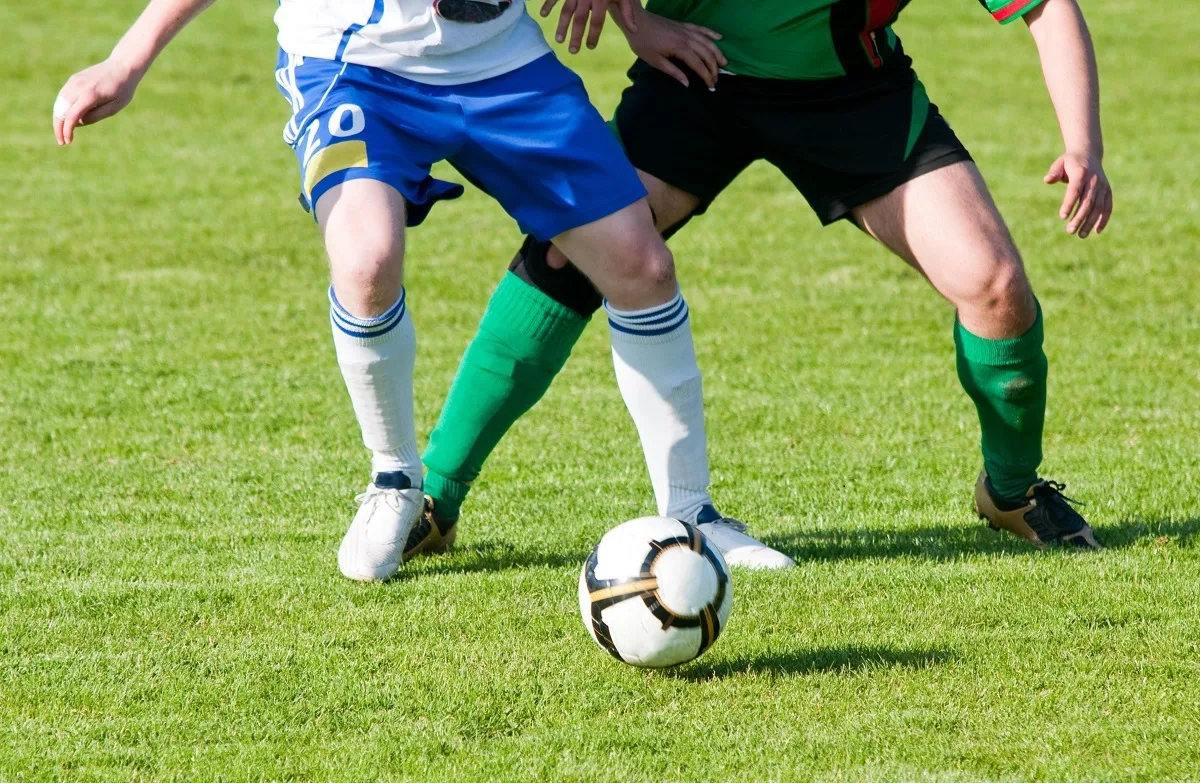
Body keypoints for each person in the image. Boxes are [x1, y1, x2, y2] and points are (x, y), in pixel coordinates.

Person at [415, 0, 1112, 560]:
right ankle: (433, 498)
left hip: (852, 95)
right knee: (573, 254)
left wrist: (1082, 146)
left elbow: (1045, 7)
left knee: (995, 286)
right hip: (699, 73)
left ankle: (1012, 491)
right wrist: (637, 21)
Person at [52, 0, 722, 581]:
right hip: (354, 70)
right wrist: (127, 60)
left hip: (503, 66)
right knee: (366, 259)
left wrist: (632, 19)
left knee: (641, 264)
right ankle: (395, 481)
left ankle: (692, 514)